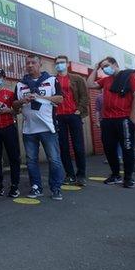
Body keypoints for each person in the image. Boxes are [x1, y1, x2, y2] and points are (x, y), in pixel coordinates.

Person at [13, 54, 65, 200]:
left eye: (33, 62)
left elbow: (60, 99)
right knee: (31, 161)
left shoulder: (51, 80)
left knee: (54, 159)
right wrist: (23, 100)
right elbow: (14, 106)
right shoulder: (20, 85)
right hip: (29, 129)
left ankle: (56, 188)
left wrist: (40, 97)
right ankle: (36, 187)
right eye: (28, 63)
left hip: (48, 128)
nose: (30, 65)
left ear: (40, 64)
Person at [86, 57, 135, 188]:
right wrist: (95, 68)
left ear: (115, 64)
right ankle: (115, 175)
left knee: (127, 149)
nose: (104, 69)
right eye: (102, 67)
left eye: (106, 66)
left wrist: (132, 118)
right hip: (107, 121)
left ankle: (128, 178)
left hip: (124, 119)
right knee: (109, 149)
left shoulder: (130, 76)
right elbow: (89, 84)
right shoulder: (106, 80)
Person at [53, 55, 89, 186]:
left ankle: (81, 175)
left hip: (74, 115)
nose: (59, 65)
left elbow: (85, 96)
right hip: (59, 117)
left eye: (62, 62)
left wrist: (78, 110)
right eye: (57, 63)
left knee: (78, 146)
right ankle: (70, 175)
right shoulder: (53, 80)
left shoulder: (77, 79)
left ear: (67, 64)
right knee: (63, 147)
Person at [0, 68, 21, 197]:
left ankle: (14, 186)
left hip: (8, 127)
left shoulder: (10, 94)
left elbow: (17, 111)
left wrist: (7, 110)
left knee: (14, 157)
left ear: (4, 78)